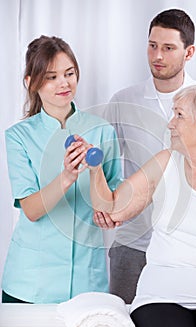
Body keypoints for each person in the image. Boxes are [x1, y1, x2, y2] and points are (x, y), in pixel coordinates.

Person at [83, 79, 196, 327]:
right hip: (160, 297)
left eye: (179, 115)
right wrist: (94, 166)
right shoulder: (165, 162)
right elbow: (112, 207)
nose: (170, 124)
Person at [1, 35, 122, 304]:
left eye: (69, 73)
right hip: (31, 284)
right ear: (31, 83)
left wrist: (96, 173)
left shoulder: (102, 131)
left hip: (87, 281)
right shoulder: (18, 136)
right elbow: (31, 210)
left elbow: (115, 204)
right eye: (51, 77)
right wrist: (67, 176)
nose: (63, 83)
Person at [94, 8, 196, 304]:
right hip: (132, 242)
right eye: (152, 46)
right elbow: (107, 167)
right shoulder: (123, 101)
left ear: (189, 52)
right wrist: (106, 205)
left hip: (188, 244)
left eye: (168, 48)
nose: (158, 56)